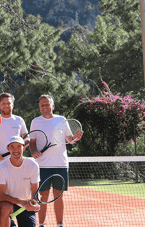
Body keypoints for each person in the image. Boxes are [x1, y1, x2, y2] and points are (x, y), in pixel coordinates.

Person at [29, 95, 83, 227]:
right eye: (42, 105)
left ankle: (60, 224)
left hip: (60, 164)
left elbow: (69, 139)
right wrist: (34, 151)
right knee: (43, 198)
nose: (45, 106)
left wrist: (75, 138)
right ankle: (41, 224)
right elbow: (32, 142)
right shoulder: (35, 122)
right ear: (40, 107)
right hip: (42, 166)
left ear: (53, 106)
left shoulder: (62, 120)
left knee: (58, 197)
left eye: (47, 104)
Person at [0, 92, 29, 222]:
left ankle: (19, 217)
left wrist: (24, 144)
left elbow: (26, 137)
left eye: (8, 103)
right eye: (3, 103)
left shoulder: (19, 120)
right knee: (0, 194)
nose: (6, 105)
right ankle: (0, 220)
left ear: (12, 105)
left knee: (18, 192)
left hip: (17, 164)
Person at [0, 136, 41, 227]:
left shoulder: (33, 165)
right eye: (12, 146)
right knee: (4, 206)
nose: (15, 150)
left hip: (26, 207)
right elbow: (0, 195)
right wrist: (21, 202)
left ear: (24, 148)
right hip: (10, 205)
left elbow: (35, 192)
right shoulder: (1, 167)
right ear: (8, 148)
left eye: (19, 146)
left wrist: (36, 204)